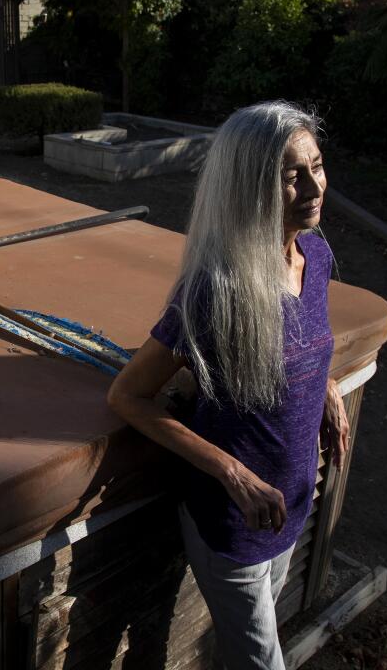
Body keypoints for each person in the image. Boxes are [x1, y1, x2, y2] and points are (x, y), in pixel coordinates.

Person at [106, 101, 350, 669]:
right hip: (232, 522)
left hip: (291, 503)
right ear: (251, 187)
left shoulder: (315, 253)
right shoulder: (215, 291)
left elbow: (301, 343)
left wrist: (328, 384)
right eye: (293, 175)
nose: (314, 186)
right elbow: (127, 396)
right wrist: (233, 474)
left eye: (317, 164)